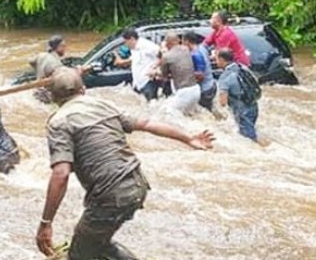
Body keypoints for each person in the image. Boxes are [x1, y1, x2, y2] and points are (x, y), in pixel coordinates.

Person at [35, 67, 214, 259]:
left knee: (79, 254)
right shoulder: (102, 105)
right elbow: (146, 124)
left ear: (53, 98)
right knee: (96, 242)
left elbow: (61, 173)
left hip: (111, 194)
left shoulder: (59, 122)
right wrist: (188, 138)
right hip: (137, 185)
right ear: (84, 89)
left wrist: (46, 222)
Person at [216, 49, 258, 141]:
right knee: (250, 132)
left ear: (222, 60)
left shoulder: (225, 77)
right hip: (253, 104)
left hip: (242, 110)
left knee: (249, 140)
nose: (215, 61)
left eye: (216, 59)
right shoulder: (243, 67)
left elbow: (223, 102)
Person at [160, 31, 201, 114]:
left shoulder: (167, 56)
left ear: (167, 43)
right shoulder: (186, 49)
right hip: (196, 89)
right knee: (188, 115)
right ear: (179, 40)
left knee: (165, 112)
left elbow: (164, 76)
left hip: (184, 92)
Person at [121, 28, 160, 101]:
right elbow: (136, 59)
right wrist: (123, 62)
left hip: (148, 82)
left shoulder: (146, 45)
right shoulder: (133, 48)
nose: (125, 45)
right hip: (138, 83)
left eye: (126, 42)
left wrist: (154, 67)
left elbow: (162, 54)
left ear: (132, 39)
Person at [184, 31, 217, 111]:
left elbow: (200, 75)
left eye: (183, 42)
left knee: (204, 112)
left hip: (204, 90)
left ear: (187, 41)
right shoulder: (202, 48)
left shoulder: (196, 54)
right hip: (210, 85)